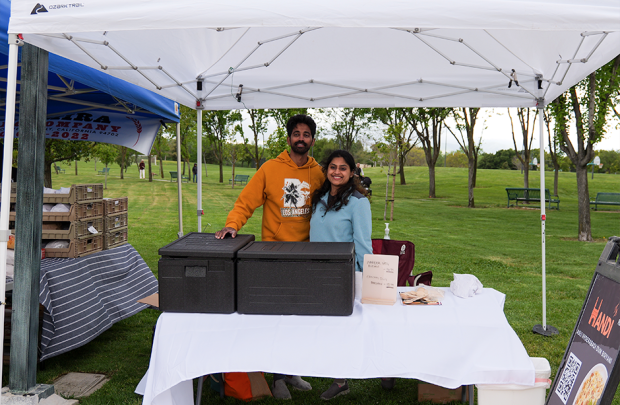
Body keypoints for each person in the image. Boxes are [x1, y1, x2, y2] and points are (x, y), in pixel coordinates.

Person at [215, 114, 324, 399]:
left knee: (300, 318)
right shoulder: (269, 169)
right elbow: (245, 202)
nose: (301, 138)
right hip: (275, 255)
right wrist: (232, 225)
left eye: (307, 134)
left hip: (307, 256)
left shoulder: (319, 173)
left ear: (312, 140)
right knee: (277, 320)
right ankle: (276, 378)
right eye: (296, 133)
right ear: (288, 139)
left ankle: (291, 371)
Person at [309, 150, 372, 400]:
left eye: (343, 168)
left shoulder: (359, 202)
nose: (337, 171)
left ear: (352, 172)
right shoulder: (320, 196)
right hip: (316, 271)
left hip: (342, 276)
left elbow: (363, 243)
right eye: (333, 167)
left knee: (342, 329)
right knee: (323, 327)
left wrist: (363, 277)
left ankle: (340, 379)